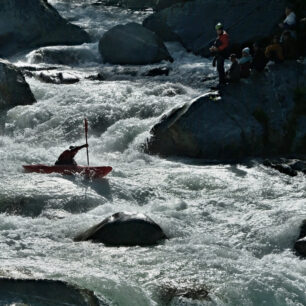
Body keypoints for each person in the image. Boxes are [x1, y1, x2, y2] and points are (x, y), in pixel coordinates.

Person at [209, 22, 230, 88]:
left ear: (221, 30)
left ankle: (222, 82)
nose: (217, 31)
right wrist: (213, 48)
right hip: (219, 54)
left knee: (220, 68)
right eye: (217, 30)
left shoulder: (224, 36)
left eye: (218, 30)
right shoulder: (221, 35)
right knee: (219, 68)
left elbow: (225, 45)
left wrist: (217, 48)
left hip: (222, 54)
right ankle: (222, 81)